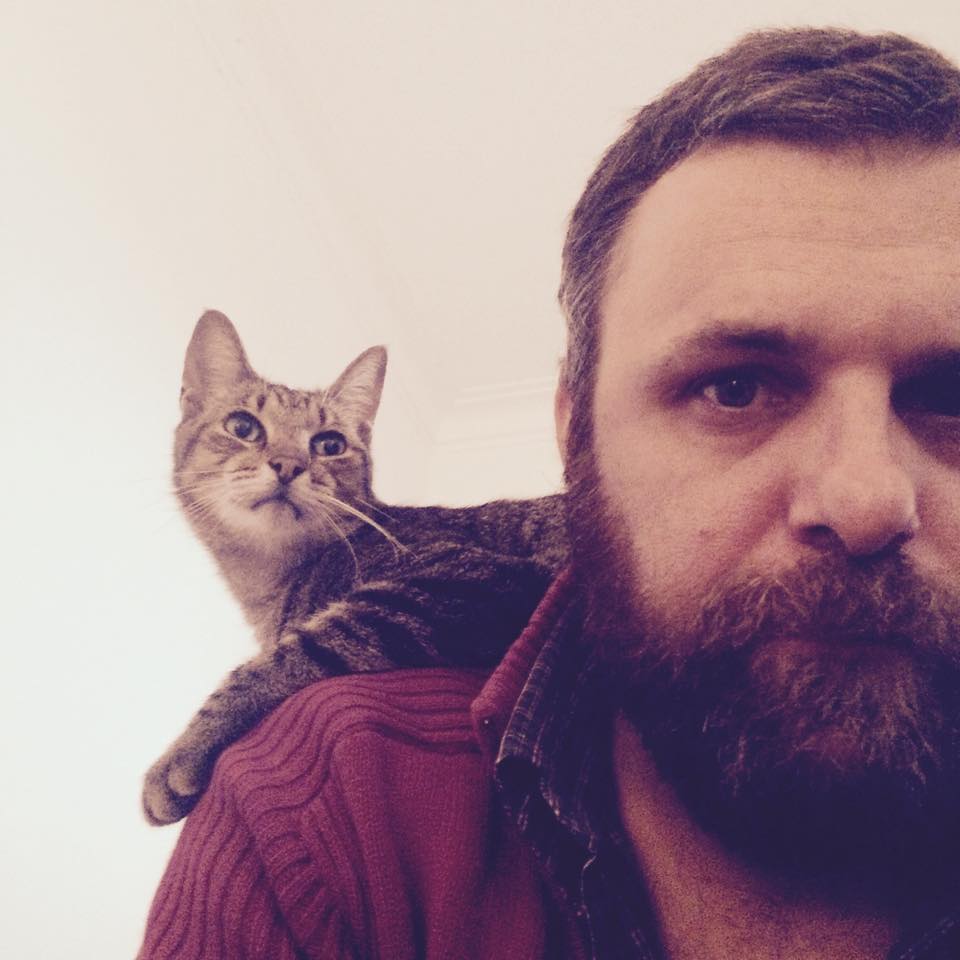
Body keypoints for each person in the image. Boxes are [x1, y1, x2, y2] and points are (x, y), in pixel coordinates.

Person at [139, 26, 960, 960]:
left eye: (953, 397)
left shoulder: (373, 585)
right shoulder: (319, 799)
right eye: (735, 387)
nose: (866, 498)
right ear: (574, 435)